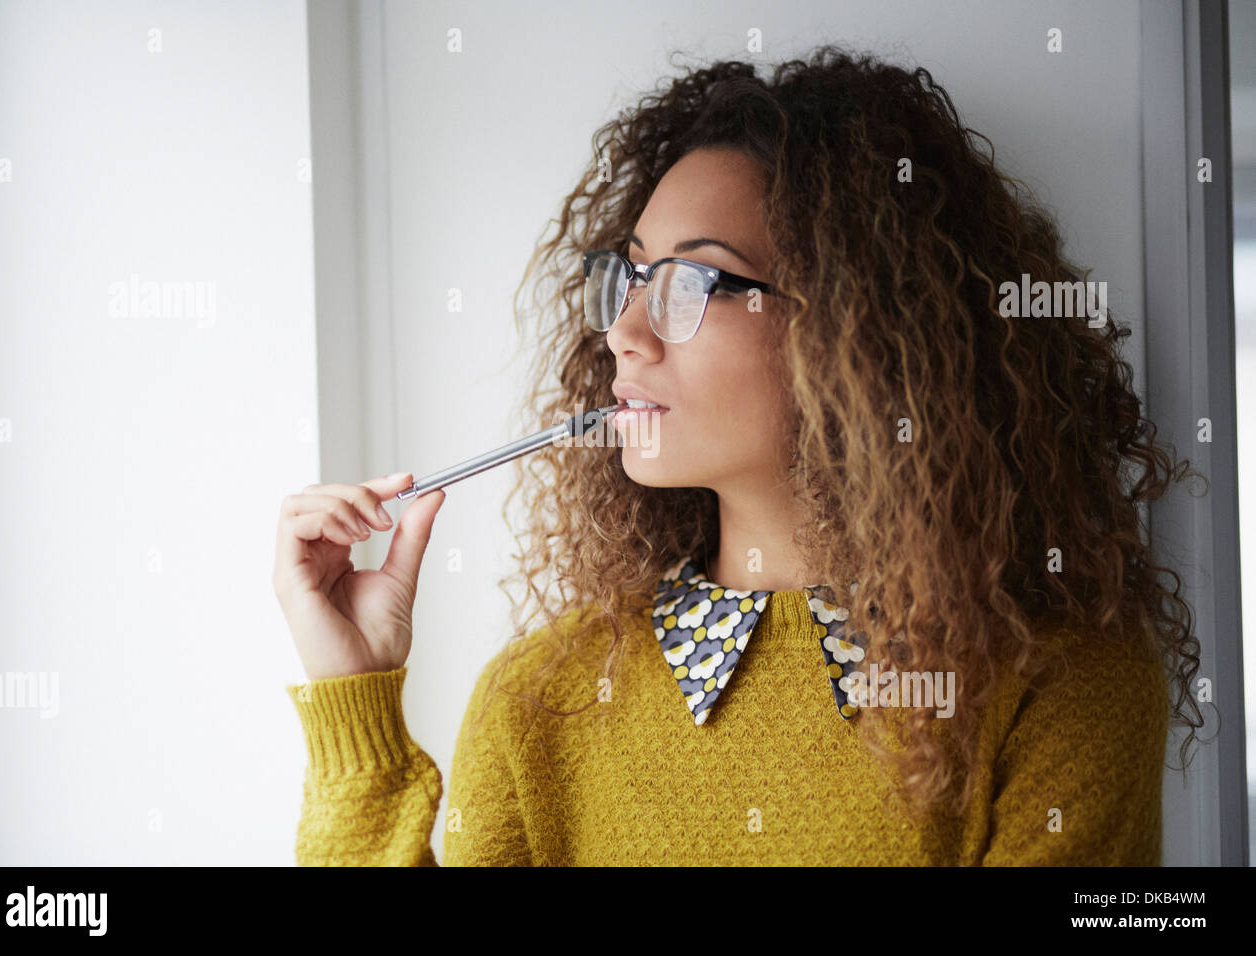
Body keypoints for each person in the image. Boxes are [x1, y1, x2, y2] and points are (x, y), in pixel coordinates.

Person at [273, 44, 1204, 866]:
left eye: (691, 282)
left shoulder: (1064, 682)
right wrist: (354, 702)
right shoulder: (539, 699)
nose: (626, 333)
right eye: (629, 277)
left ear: (857, 329)